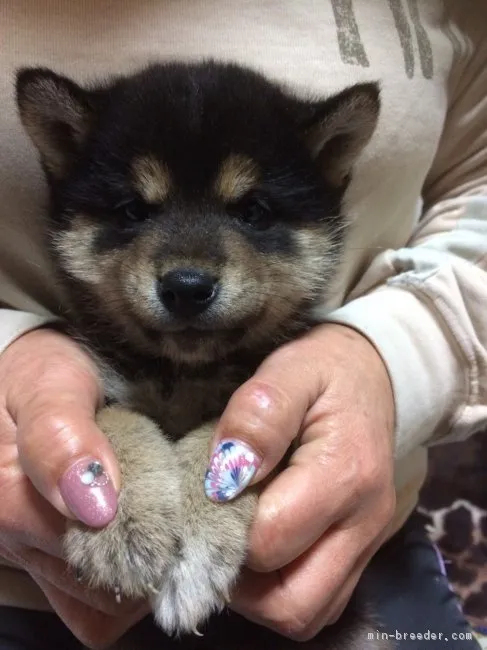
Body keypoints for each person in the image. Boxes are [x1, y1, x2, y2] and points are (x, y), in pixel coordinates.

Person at [0, 0, 486, 648]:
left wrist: (396, 353)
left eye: (252, 210)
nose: (188, 269)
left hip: (357, 556)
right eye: (130, 208)